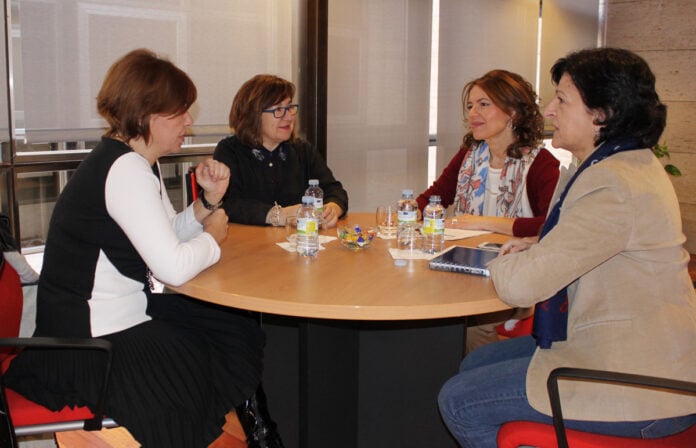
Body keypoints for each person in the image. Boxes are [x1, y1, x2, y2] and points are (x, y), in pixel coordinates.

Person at [4, 49, 284, 448]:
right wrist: (213, 237)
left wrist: (206, 203)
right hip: (88, 342)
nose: (190, 121)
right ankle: (245, 435)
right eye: (181, 111)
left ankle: (257, 432)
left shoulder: (134, 160)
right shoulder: (126, 170)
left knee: (232, 329)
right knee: (198, 355)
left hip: (115, 317)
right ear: (148, 114)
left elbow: (164, 234)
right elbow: (172, 268)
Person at [438, 47, 696, 448]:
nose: (549, 111)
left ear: (602, 113)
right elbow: (584, 239)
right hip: (621, 346)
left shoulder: (612, 184)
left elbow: (521, 287)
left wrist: (501, 255)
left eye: (562, 99)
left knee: (457, 400)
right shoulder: (609, 164)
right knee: (475, 361)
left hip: (638, 382)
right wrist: (537, 244)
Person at [419, 70, 560, 351]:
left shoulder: (541, 163)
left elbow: (552, 225)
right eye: (471, 105)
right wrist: (410, 208)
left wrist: (484, 223)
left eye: (484, 104)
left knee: (472, 324)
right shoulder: (469, 155)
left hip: (516, 270)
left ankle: (474, 374)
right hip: (465, 264)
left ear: (513, 112)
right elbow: (435, 198)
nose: (473, 113)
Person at [214, 74, 348, 228]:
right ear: (253, 115)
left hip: (299, 239)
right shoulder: (230, 151)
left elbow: (335, 191)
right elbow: (227, 203)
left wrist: (332, 209)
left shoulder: (302, 150)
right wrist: (279, 215)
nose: (289, 117)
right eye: (278, 109)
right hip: (249, 239)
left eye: (290, 108)